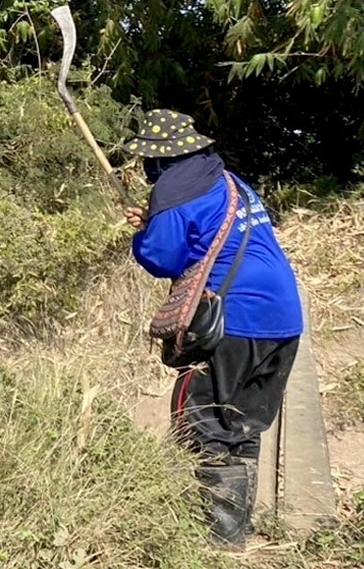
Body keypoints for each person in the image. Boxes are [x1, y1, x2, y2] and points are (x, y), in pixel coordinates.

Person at [121, 109, 303, 549]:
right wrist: (157, 219)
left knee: (201, 422)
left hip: (233, 322)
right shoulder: (229, 181)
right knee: (242, 424)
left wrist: (141, 235)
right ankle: (235, 531)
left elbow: (162, 257)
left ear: (161, 160)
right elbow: (205, 237)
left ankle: (218, 543)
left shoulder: (173, 187)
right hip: (285, 320)